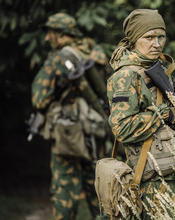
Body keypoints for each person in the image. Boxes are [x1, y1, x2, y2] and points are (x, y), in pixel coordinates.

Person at [107, 9, 175, 219]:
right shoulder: (126, 76)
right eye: (149, 37)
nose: (157, 43)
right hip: (148, 178)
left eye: (161, 37)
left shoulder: (158, 70)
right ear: (134, 40)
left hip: (170, 172)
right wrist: (163, 113)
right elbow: (121, 128)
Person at [31, 12, 112, 220]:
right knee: (101, 191)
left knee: (64, 191)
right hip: (96, 132)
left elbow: (39, 99)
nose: (47, 38)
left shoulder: (58, 59)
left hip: (68, 135)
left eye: (50, 33)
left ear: (60, 33)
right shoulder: (97, 54)